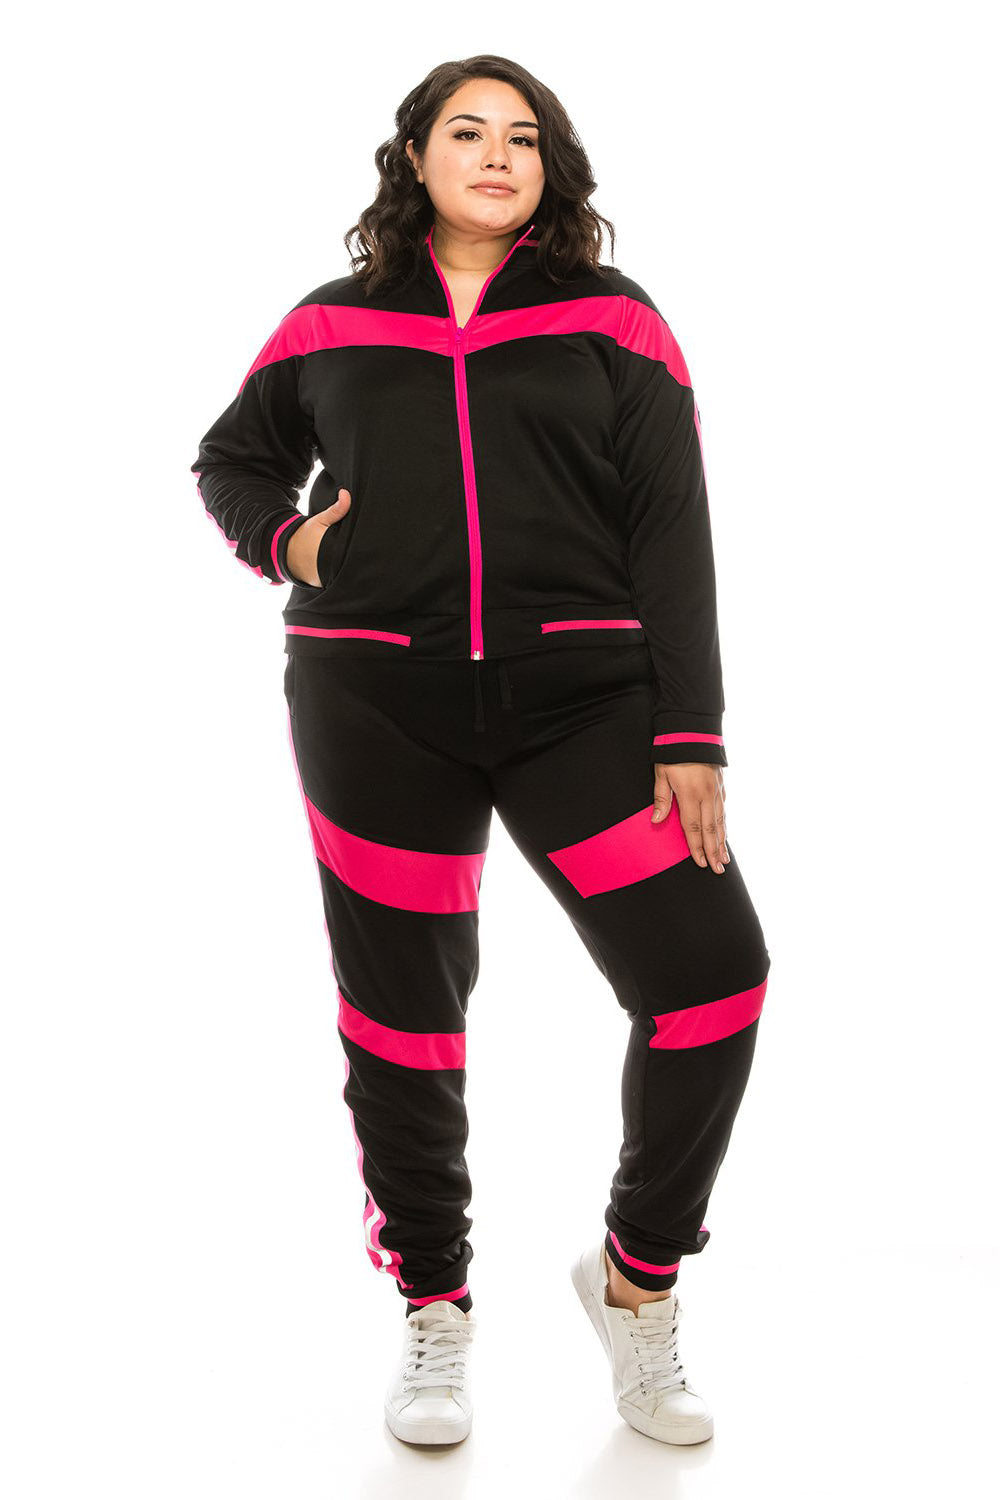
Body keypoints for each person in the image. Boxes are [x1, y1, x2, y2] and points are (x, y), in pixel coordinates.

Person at [191, 55, 771, 1450]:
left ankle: (636, 1283)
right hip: (374, 700)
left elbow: (673, 528)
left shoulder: (613, 318)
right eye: (468, 130)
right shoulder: (330, 322)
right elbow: (230, 460)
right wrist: (292, 541)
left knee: (711, 979)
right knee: (404, 1015)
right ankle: (434, 1305)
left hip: (588, 707)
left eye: (524, 136)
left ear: (549, 166)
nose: (497, 154)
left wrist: (691, 731)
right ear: (418, 157)